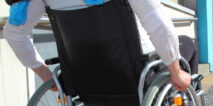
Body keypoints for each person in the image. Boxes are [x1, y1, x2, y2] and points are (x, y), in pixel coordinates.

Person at [4, 0, 198, 92]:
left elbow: (14, 34)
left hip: (82, 81)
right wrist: (175, 70)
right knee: (188, 44)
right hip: (134, 75)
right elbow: (157, 22)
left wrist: (47, 77)